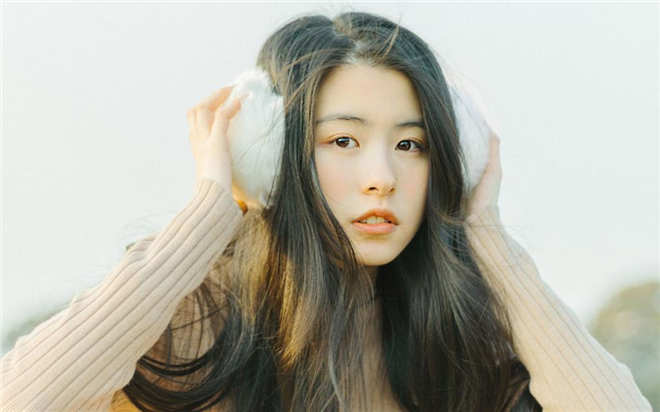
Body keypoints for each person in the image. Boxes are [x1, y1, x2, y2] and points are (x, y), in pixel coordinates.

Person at [0, 11, 651, 412]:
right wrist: (209, 212)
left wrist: (488, 239)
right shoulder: (197, 326)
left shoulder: (464, 338)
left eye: (411, 145)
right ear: (269, 155)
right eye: (343, 141)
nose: (382, 179)